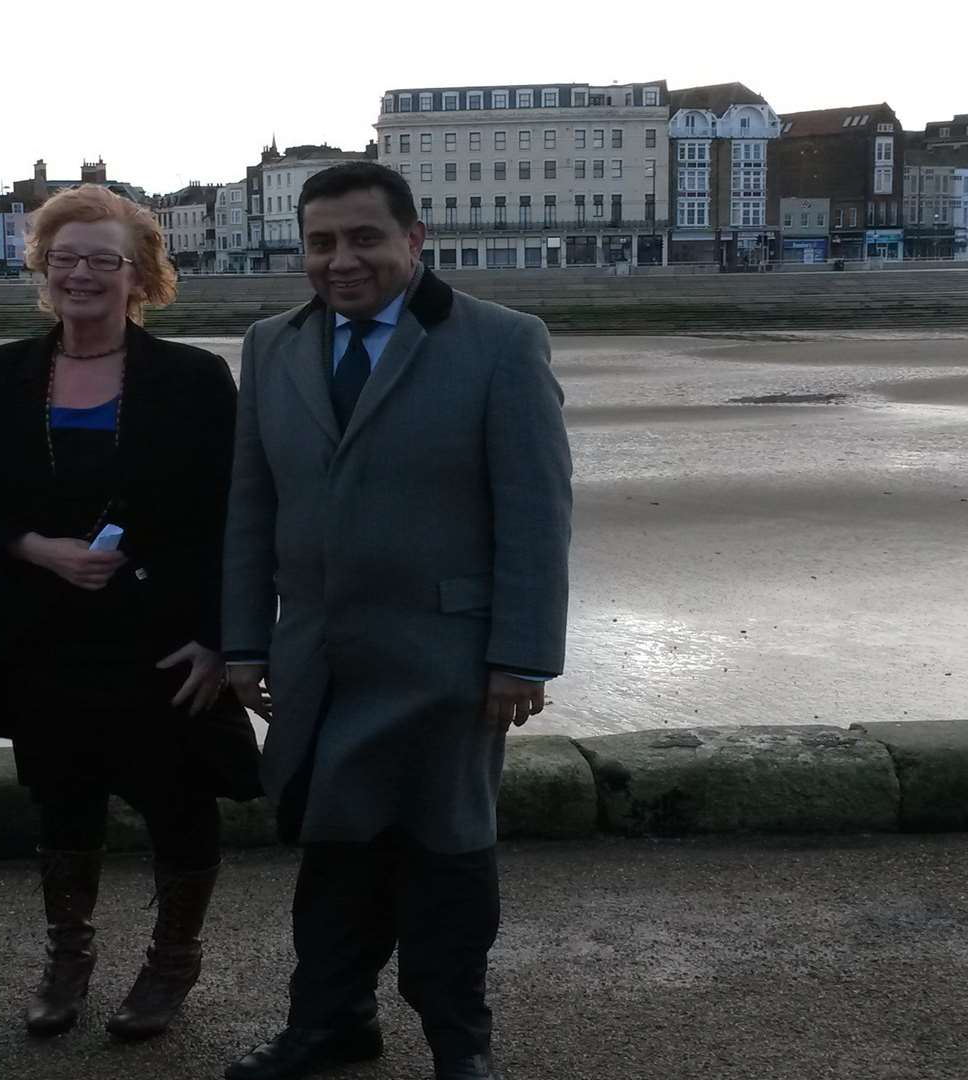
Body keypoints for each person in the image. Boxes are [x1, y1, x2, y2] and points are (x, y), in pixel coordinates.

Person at [219, 163, 573, 1080]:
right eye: (321, 242)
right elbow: (250, 508)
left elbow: (535, 513)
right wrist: (245, 640)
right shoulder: (272, 346)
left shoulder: (499, 342)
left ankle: (461, 1045)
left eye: (364, 238)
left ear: (416, 241)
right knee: (334, 858)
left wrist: (522, 657)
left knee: (448, 861)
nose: (341, 261)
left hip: (445, 663)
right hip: (321, 662)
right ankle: (332, 1024)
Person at [0, 184, 261, 1042]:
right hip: (42, 634)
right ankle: (67, 957)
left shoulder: (192, 378)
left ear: (139, 274)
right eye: (64, 257)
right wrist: (38, 549)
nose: (82, 274)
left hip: (163, 636)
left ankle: (170, 963)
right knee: (61, 802)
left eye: (103, 259)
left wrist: (223, 642)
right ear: (43, 268)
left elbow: (235, 513)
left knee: (179, 804)